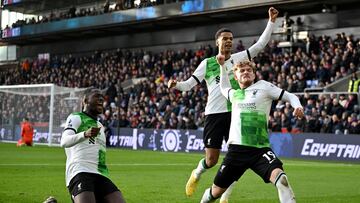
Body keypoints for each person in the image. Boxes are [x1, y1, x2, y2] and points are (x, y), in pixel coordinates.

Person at [168, 7, 279, 203]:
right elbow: (188, 85)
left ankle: (225, 195)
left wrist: (271, 21)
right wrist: (175, 84)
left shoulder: (239, 59)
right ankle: (197, 172)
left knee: (236, 157)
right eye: (225, 38)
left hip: (237, 113)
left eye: (231, 38)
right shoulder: (207, 63)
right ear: (217, 42)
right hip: (214, 114)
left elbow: (261, 44)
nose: (229, 41)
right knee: (211, 161)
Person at [199, 56, 304, 203]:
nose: (246, 72)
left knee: (282, 179)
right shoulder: (234, 94)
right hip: (236, 152)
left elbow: (290, 96)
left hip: (260, 150)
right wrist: (222, 66)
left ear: (254, 74)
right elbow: (223, 87)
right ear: (236, 77)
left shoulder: (264, 87)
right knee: (215, 192)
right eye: (242, 71)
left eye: (249, 70)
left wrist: (297, 106)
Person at [60, 88, 126, 203]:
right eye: (96, 96)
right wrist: (85, 134)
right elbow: (64, 141)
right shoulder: (76, 117)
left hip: (101, 175)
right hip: (80, 172)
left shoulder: (100, 125)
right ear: (85, 101)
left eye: (102, 98)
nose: (101, 99)